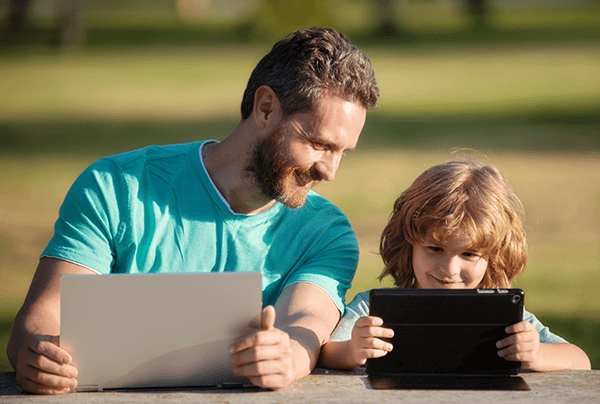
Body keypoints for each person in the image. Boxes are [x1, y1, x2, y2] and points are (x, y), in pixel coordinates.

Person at [7, 27, 380, 394]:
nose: (330, 172)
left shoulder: (326, 232)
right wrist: (37, 354)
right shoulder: (118, 185)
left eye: (342, 153)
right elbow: (45, 314)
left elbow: (304, 325)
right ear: (265, 109)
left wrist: (288, 358)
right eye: (318, 144)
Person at [319, 160, 591, 371]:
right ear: (409, 244)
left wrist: (537, 353)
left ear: (492, 258)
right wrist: (353, 350)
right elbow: (326, 352)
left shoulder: (503, 316)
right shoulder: (374, 309)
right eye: (435, 249)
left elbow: (580, 361)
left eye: (469, 254)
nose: (448, 270)